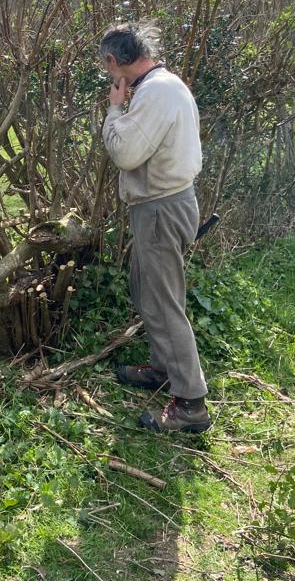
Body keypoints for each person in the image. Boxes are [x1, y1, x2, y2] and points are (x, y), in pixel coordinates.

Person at [98, 22, 211, 433]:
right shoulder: (160, 87)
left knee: (165, 303)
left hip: (162, 208)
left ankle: (191, 405)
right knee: (147, 291)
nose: (109, 77)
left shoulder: (156, 90)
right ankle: (165, 369)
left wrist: (114, 108)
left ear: (114, 61)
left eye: (107, 68)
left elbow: (126, 152)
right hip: (163, 205)